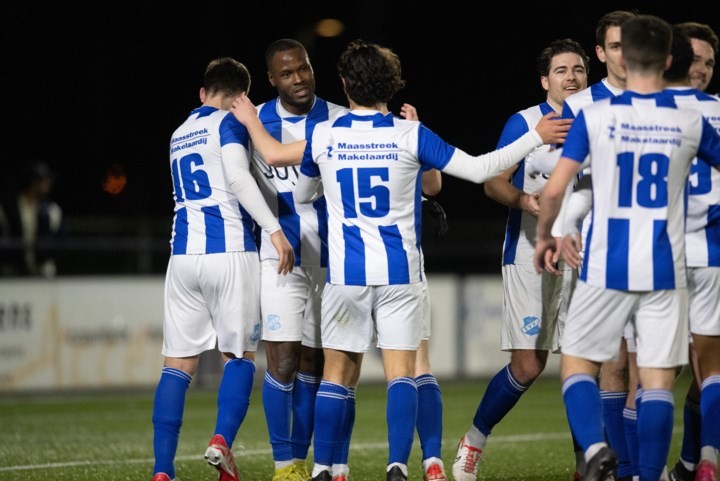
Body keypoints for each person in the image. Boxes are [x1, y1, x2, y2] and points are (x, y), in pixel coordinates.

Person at [231, 38, 571, 481]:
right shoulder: (410, 134)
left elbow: (301, 193)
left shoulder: (325, 134)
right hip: (400, 274)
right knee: (402, 372)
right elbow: (479, 169)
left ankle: (324, 467)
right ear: (392, 85)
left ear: (346, 84)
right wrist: (535, 136)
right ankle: (397, 465)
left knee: (336, 372)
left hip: (347, 274)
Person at [534, 14, 720, 481]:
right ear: (670, 58)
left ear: (621, 56)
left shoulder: (594, 116)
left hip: (606, 265)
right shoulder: (690, 121)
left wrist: (546, 236)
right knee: (656, 381)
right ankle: (650, 474)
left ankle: (596, 448)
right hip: (665, 268)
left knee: (578, 363)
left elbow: (556, 189)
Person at [150, 57, 295, 481]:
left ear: (202, 93)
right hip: (229, 252)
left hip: (182, 258)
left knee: (177, 365)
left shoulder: (178, 133)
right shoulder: (229, 123)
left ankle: (163, 470)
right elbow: (236, 177)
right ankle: (220, 442)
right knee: (241, 356)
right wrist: (273, 230)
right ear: (241, 98)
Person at [452, 37, 590, 481]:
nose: (571, 77)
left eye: (578, 69)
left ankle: (587, 464)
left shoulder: (602, 119)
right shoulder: (526, 123)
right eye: (562, 71)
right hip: (530, 255)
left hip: (587, 258)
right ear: (544, 80)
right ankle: (474, 439)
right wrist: (523, 200)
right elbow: (492, 182)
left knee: (586, 363)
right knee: (529, 365)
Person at [528, 11, 639, 480]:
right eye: (615, 46)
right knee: (614, 364)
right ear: (602, 53)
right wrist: (562, 228)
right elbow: (567, 179)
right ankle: (624, 466)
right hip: (597, 247)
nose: (624, 54)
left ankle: (676, 458)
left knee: (661, 369)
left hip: (661, 245)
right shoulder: (579, 107)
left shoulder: (668, 99)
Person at [250, 38, 348, 481]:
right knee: (282, 360)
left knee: (317, 362)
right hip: (279, 258)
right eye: (287, 74)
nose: (298, 79)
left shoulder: (339, 119)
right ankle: (282, 463)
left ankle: (304, 461)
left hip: (334, 260)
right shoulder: (254, 124)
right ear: (272, 79)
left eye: (304, 69)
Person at [662, 23, 720, 481]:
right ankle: (703, 459)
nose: (702, 69)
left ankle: (668, 465)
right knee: (708, 367)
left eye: (711, 62)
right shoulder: (716, 113)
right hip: (703, 252)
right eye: (696, 59)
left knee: (657, 373)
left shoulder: (644, 112)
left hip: (660, 254)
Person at [0, 159, 64, 278]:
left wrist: (46, 254)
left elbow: (60, 242)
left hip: (42, 268)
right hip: (13, 267)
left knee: (47, 270)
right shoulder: (8, 208)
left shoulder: (51, 210)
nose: (47, 182)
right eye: (43, 179)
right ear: (32, 181)